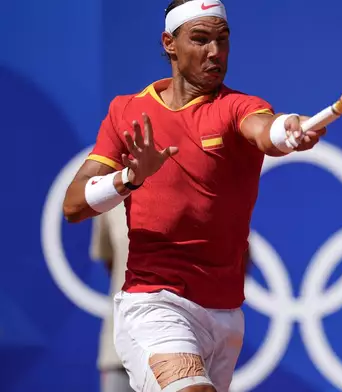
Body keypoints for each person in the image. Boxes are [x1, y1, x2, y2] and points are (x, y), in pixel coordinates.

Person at [62, 0, 327, 390]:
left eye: (222, 40)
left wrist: (287, 129)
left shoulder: (239, 107)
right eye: (201, 40)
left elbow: (263, 129)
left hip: (224, 312)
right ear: (170, 43)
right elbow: (72, 205)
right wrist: (129, 178)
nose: (215, 53)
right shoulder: (126, 112)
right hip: (154, 301)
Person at [90, 203, 135, 392]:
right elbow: (112, 262)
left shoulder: (197, 184)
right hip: (122, 348)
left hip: (185, 347)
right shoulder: (111, 193)